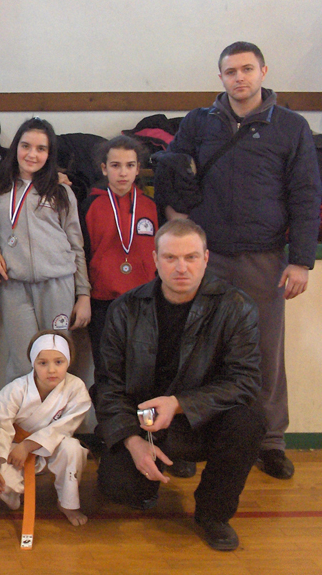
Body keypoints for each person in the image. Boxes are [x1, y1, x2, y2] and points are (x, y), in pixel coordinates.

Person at [163, 42, 321, 480]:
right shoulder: (198, 122)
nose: (239, 78)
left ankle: (269, 442)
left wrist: (300, 261)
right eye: (231, 71)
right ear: (221, 77)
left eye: (247, 69)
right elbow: (172, 171)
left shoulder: (290, 126)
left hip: (264, 258)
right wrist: (178, 221)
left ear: (263, 71)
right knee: (195, 350)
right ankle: (188, 440)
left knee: (265, 352)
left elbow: (306, 195)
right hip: (205, 257)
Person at [92, 219, 265, 551]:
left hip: (202, 420)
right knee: (121, 490)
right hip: (143, 422)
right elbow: (108, 385)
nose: (181, 267)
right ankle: (153, 466)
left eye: (191, 257)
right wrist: (132, 441)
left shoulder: (236, 306)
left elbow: (245, 381)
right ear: (155, 260)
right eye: (170, 257)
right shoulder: (125, 308)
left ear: (206, 258)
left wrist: (179, 403)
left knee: (249, 421)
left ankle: (213, 515)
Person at [0, 117, 90, 386]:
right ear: (15, 147)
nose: (32, 154)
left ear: (49, 154)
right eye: (26, 146)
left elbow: (76, 245)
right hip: (14, 286)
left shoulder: (61, 192)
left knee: (56, 360)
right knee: (23, 362)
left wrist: (83, 294)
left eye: (41, 149)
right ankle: (23, 415)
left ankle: (57, 414)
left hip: (58, 285)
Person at [0, 331, 91, 526]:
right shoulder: (16, 390)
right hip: (14, 449)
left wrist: (28, 445)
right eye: (43, 363)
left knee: (73, 448)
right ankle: (10, 494)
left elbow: (64, 427)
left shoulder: (76, 388)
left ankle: (67, 503)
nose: (51, 370)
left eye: (59, 362)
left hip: (50, 447)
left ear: (68, 362)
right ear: (33, 363)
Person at [79, 136, 157, 375]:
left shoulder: (152, 206)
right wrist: (83, 296)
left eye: (129, 165)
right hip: (103, 301)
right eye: (115, 165)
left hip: (144, 300)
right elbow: (82, 254)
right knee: (107, 369)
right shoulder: (90, 205)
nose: (123, 172)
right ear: (104, 168)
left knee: (142, 368)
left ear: (138, 168)